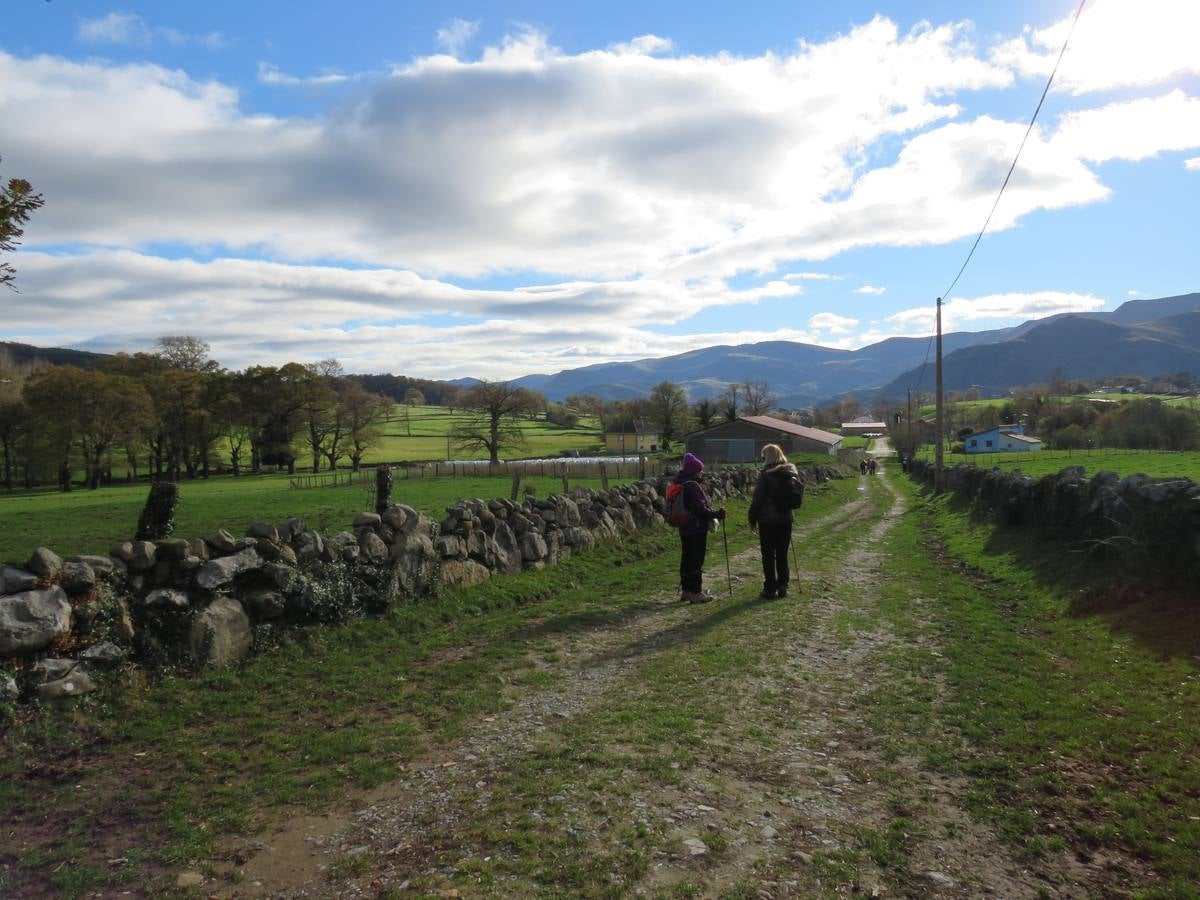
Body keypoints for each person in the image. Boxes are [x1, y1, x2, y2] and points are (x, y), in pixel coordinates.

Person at [668, 452, 726, 603]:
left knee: (687, 558)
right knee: (696, 560)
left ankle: (686, 591)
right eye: (700, 470)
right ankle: (696, 592)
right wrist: (717, 514)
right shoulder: (692, 486)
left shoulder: (680, 483)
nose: (702, 472)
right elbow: (700, 509)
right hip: (696, 527)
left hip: (684, 527)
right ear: (695, 471)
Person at [747, 443, 798, 599]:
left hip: (768, 521)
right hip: (786, 519)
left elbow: (757, 500)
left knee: (768, 555)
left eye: (763, 456)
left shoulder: (766, 475)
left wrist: (752, 520)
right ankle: (783, 585)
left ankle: (770, 589)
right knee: (782, 554)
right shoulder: (791, 473)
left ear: (767, 457)